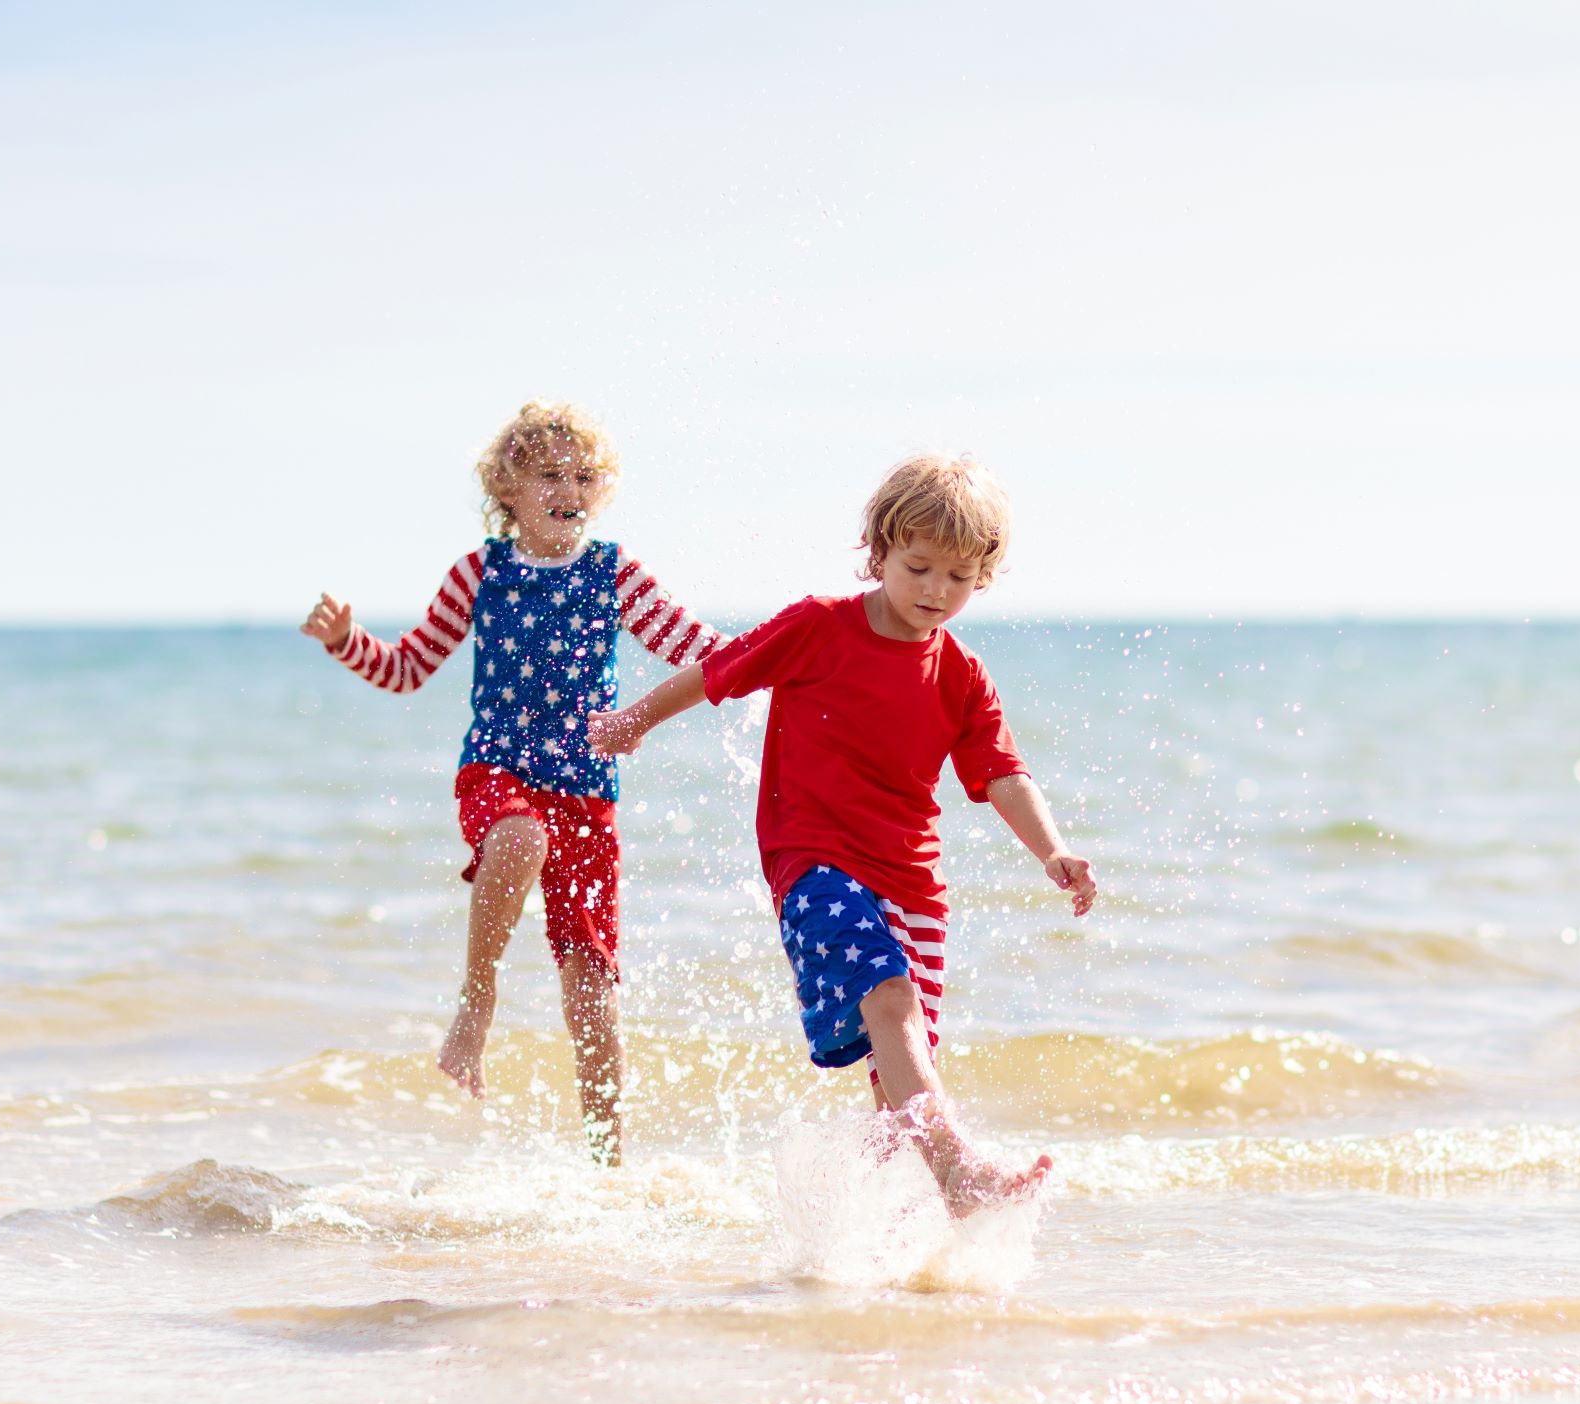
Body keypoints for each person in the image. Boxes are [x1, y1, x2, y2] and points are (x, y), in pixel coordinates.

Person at [589, 452, 1096, 1212]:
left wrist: (1052, 849)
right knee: (889, 999)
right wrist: (636, 719)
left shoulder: (960, 672)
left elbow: (1002, 773)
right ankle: (963, 1176)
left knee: (896, 1085)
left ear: (983, 577)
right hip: (816, 865)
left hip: (915, 885)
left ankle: (855, 1222)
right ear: (879, 552)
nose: (935, 591)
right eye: (919, 566)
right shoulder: (820, 626)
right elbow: (721, 669)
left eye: (958, 578)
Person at [301, 399, 720, 1162]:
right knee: (521, 836)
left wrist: (785, 653)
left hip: (589, 791)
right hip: (497, 769)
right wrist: (344, 641)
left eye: (585, 475)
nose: (570, 488)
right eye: (549, 474)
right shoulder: (479, 574)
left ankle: (608, 1169)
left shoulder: (613, 573)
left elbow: (690, 642)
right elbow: (405, 669)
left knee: (594, 998)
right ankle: (477, 1000)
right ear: (509, 492)